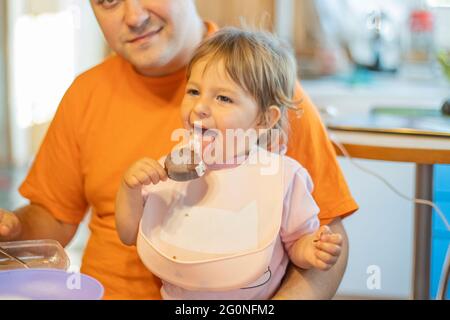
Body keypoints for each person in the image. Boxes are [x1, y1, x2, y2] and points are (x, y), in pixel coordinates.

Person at [0, 0, 358, 299]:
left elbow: (324, 232)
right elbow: (55, 216)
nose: (135, 17)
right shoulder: (86, 93)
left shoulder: (264, 86)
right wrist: (14, 229)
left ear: (265, 119)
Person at [115, 27, 344, 300]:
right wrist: (129, 189)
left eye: (223, 98)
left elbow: (296, 242)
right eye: (194, 91)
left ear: (264, 120)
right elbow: (129, 234)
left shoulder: (282, 176)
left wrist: (311, 250)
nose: (199, 106)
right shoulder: (170, 169)